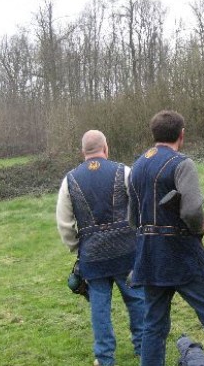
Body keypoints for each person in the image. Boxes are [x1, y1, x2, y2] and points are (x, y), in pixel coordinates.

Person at [128, 110, 204, 366]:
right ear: (182, 135)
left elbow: (133, 220)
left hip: (150, 257)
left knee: (153, 326)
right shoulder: (183, 164)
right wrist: (199, 226)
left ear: (154, 134)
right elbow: (192, 211)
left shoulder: (136, 167)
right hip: (183, 256)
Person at [56, 130, 145, 365]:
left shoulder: (70, 179)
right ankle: (143, 346)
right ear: (106, 148)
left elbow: (64, 223)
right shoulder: (124, 171)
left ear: (83, 152)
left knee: (99, 306)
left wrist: (77, 247)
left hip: (92, 255)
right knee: (136, 298)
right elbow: (139, 207)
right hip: (126, 250)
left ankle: (105, 357)